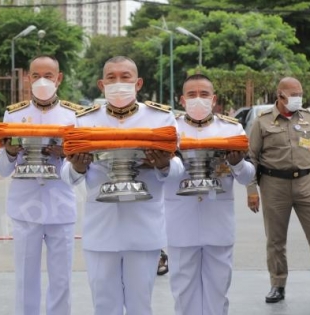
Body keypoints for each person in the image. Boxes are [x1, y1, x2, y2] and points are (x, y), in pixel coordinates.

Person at [60, 55, 184, 315]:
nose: (118, 83)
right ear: (101, 84)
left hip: (144, 230)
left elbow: (177, 172)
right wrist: (78, 166)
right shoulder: (84, 121)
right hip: (101, 230)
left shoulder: (160, 120)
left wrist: (162, 164)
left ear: (138, 83)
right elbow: (67, 174)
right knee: (104, 306)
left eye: (125, 77)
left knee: (141, 306)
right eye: (111, 78)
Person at [0, 55, 83, 315]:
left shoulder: (74, 115)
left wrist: (67, 154)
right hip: (25, 209)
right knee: (25, 279)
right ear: (27, 78)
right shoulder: (14, 114)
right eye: (36, 75)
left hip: (61, 205)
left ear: (59, 78)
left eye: (48, 75)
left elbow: (80, 169)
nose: (42, 81)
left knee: (62, 280)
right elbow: (2, 169)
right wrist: (10, 152)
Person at [164, 74, 255, 315]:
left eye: (204, 94)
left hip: (218, 225)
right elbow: (162, 175)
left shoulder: (231, 128)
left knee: (218, 294)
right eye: (192, 94)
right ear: (182, 99)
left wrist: (236, 164)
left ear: (213, 99)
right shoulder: (169, 130)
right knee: (184, 294)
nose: (198, 99)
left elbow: (247, 177)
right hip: (181, 223)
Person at [246, 76, 310, 303]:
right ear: (280, 95)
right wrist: (251, 190)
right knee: (275, 240)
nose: (297, 99)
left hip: (305, 183)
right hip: (274, 186)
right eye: (293, 95)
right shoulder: (262, 122)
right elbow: (251, 158)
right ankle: (278, 284)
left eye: (300, 94)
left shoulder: (307, 119)